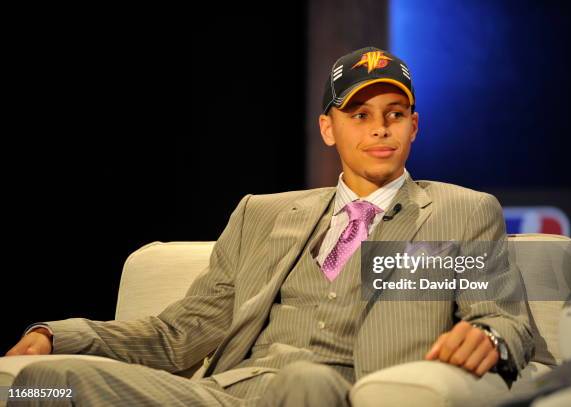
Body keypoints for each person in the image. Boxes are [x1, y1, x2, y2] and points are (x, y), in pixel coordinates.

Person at [5, 46, 533, 406]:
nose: (380, 129)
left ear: (414, 126)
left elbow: (506, 322)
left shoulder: (459, 211)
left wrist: (489, 337)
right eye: (360, 114)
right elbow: (178, 335)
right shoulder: (264, 214)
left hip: (334, 393)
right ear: (328, 128)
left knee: (303, 381)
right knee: (48, 385)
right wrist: (60, 336)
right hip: (226, 393)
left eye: (395, 114)